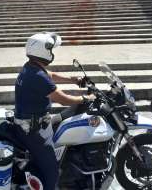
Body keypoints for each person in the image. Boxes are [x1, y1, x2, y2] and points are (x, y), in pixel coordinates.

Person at [14, 32, 94, 190]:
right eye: (51, 50)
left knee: (62, 121)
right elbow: (63, 99)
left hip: (35, 122)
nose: (52, 54)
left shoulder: (31, 67)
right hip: (34, 130)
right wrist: (85, 99)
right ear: (43, 51)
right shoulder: (37, 76)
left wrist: (74, 80)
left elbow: (51, 75)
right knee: (53, 171)